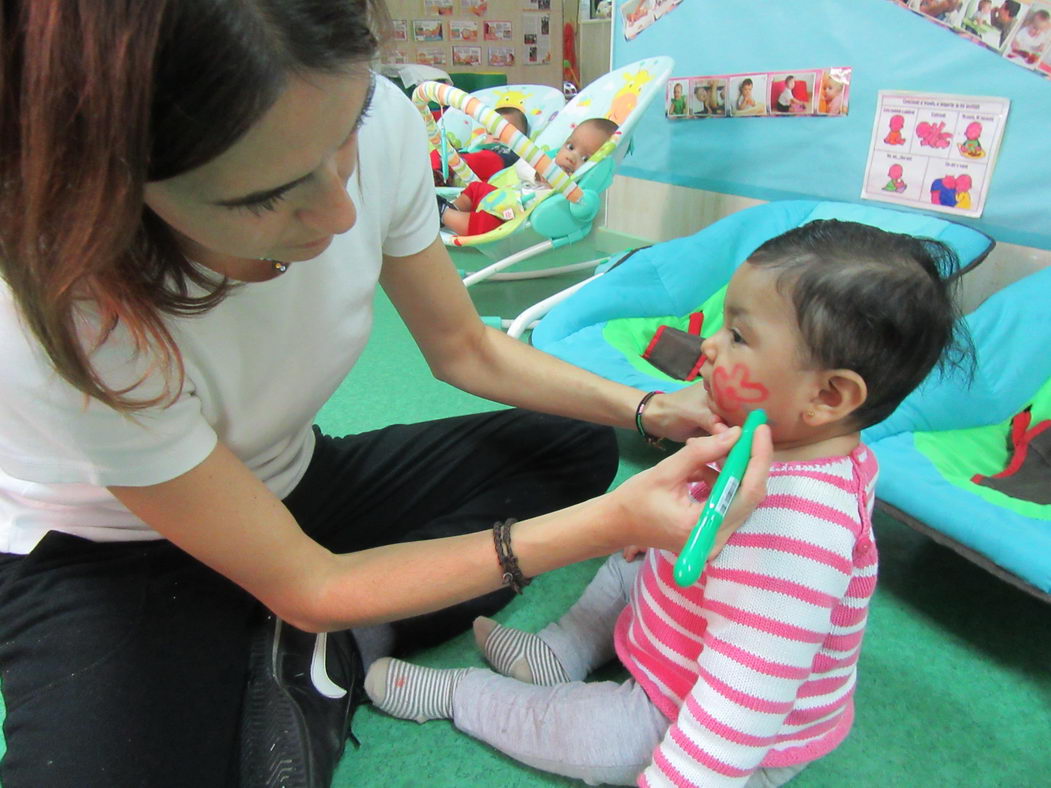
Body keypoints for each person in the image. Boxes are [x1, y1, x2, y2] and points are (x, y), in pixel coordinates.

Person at [0, 2, 770, 786]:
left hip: (294, 479)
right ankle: (303, 631)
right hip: (107, 548)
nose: (340, 213)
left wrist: (643, 409)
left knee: (570, 445)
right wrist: (609, 524)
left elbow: (465, 348)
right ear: (115, 186)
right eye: (264, 196)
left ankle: (332, 643)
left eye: (344, 141)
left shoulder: (383, 124)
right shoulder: (52, 308)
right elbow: (308, 583)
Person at [366, 219, 974, 787]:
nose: (708, 344)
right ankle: (563, 647)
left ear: (828, 395)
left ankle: (462, 698)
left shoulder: (799, 534)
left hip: (707, 715)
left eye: (738, 336)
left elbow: (745, 700)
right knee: (627, 556)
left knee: (592, 731)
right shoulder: (776, 434)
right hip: (686, 614)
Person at [437, 117, 618, 237]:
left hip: (513, 217)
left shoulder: (576, 187)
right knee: (477, 188)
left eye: (585, 158)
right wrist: (538, 173)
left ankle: (444, 214)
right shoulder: (547, 161)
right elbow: (520, 168)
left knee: (488, 225)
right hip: (504, 198)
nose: (571, 157)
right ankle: (455, 207)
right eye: (570, 147)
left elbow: (564, 206)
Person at [430, 105, 530, 185]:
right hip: (464, 162)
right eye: (492, 131)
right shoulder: (478, 144)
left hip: (497, 160)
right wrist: (452, 150)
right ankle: (436, 174)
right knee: (438, 150)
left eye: (506, 131)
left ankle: (448, 170)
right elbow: (467, 151)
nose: (498, 135)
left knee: (486, 159)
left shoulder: (514, 152)